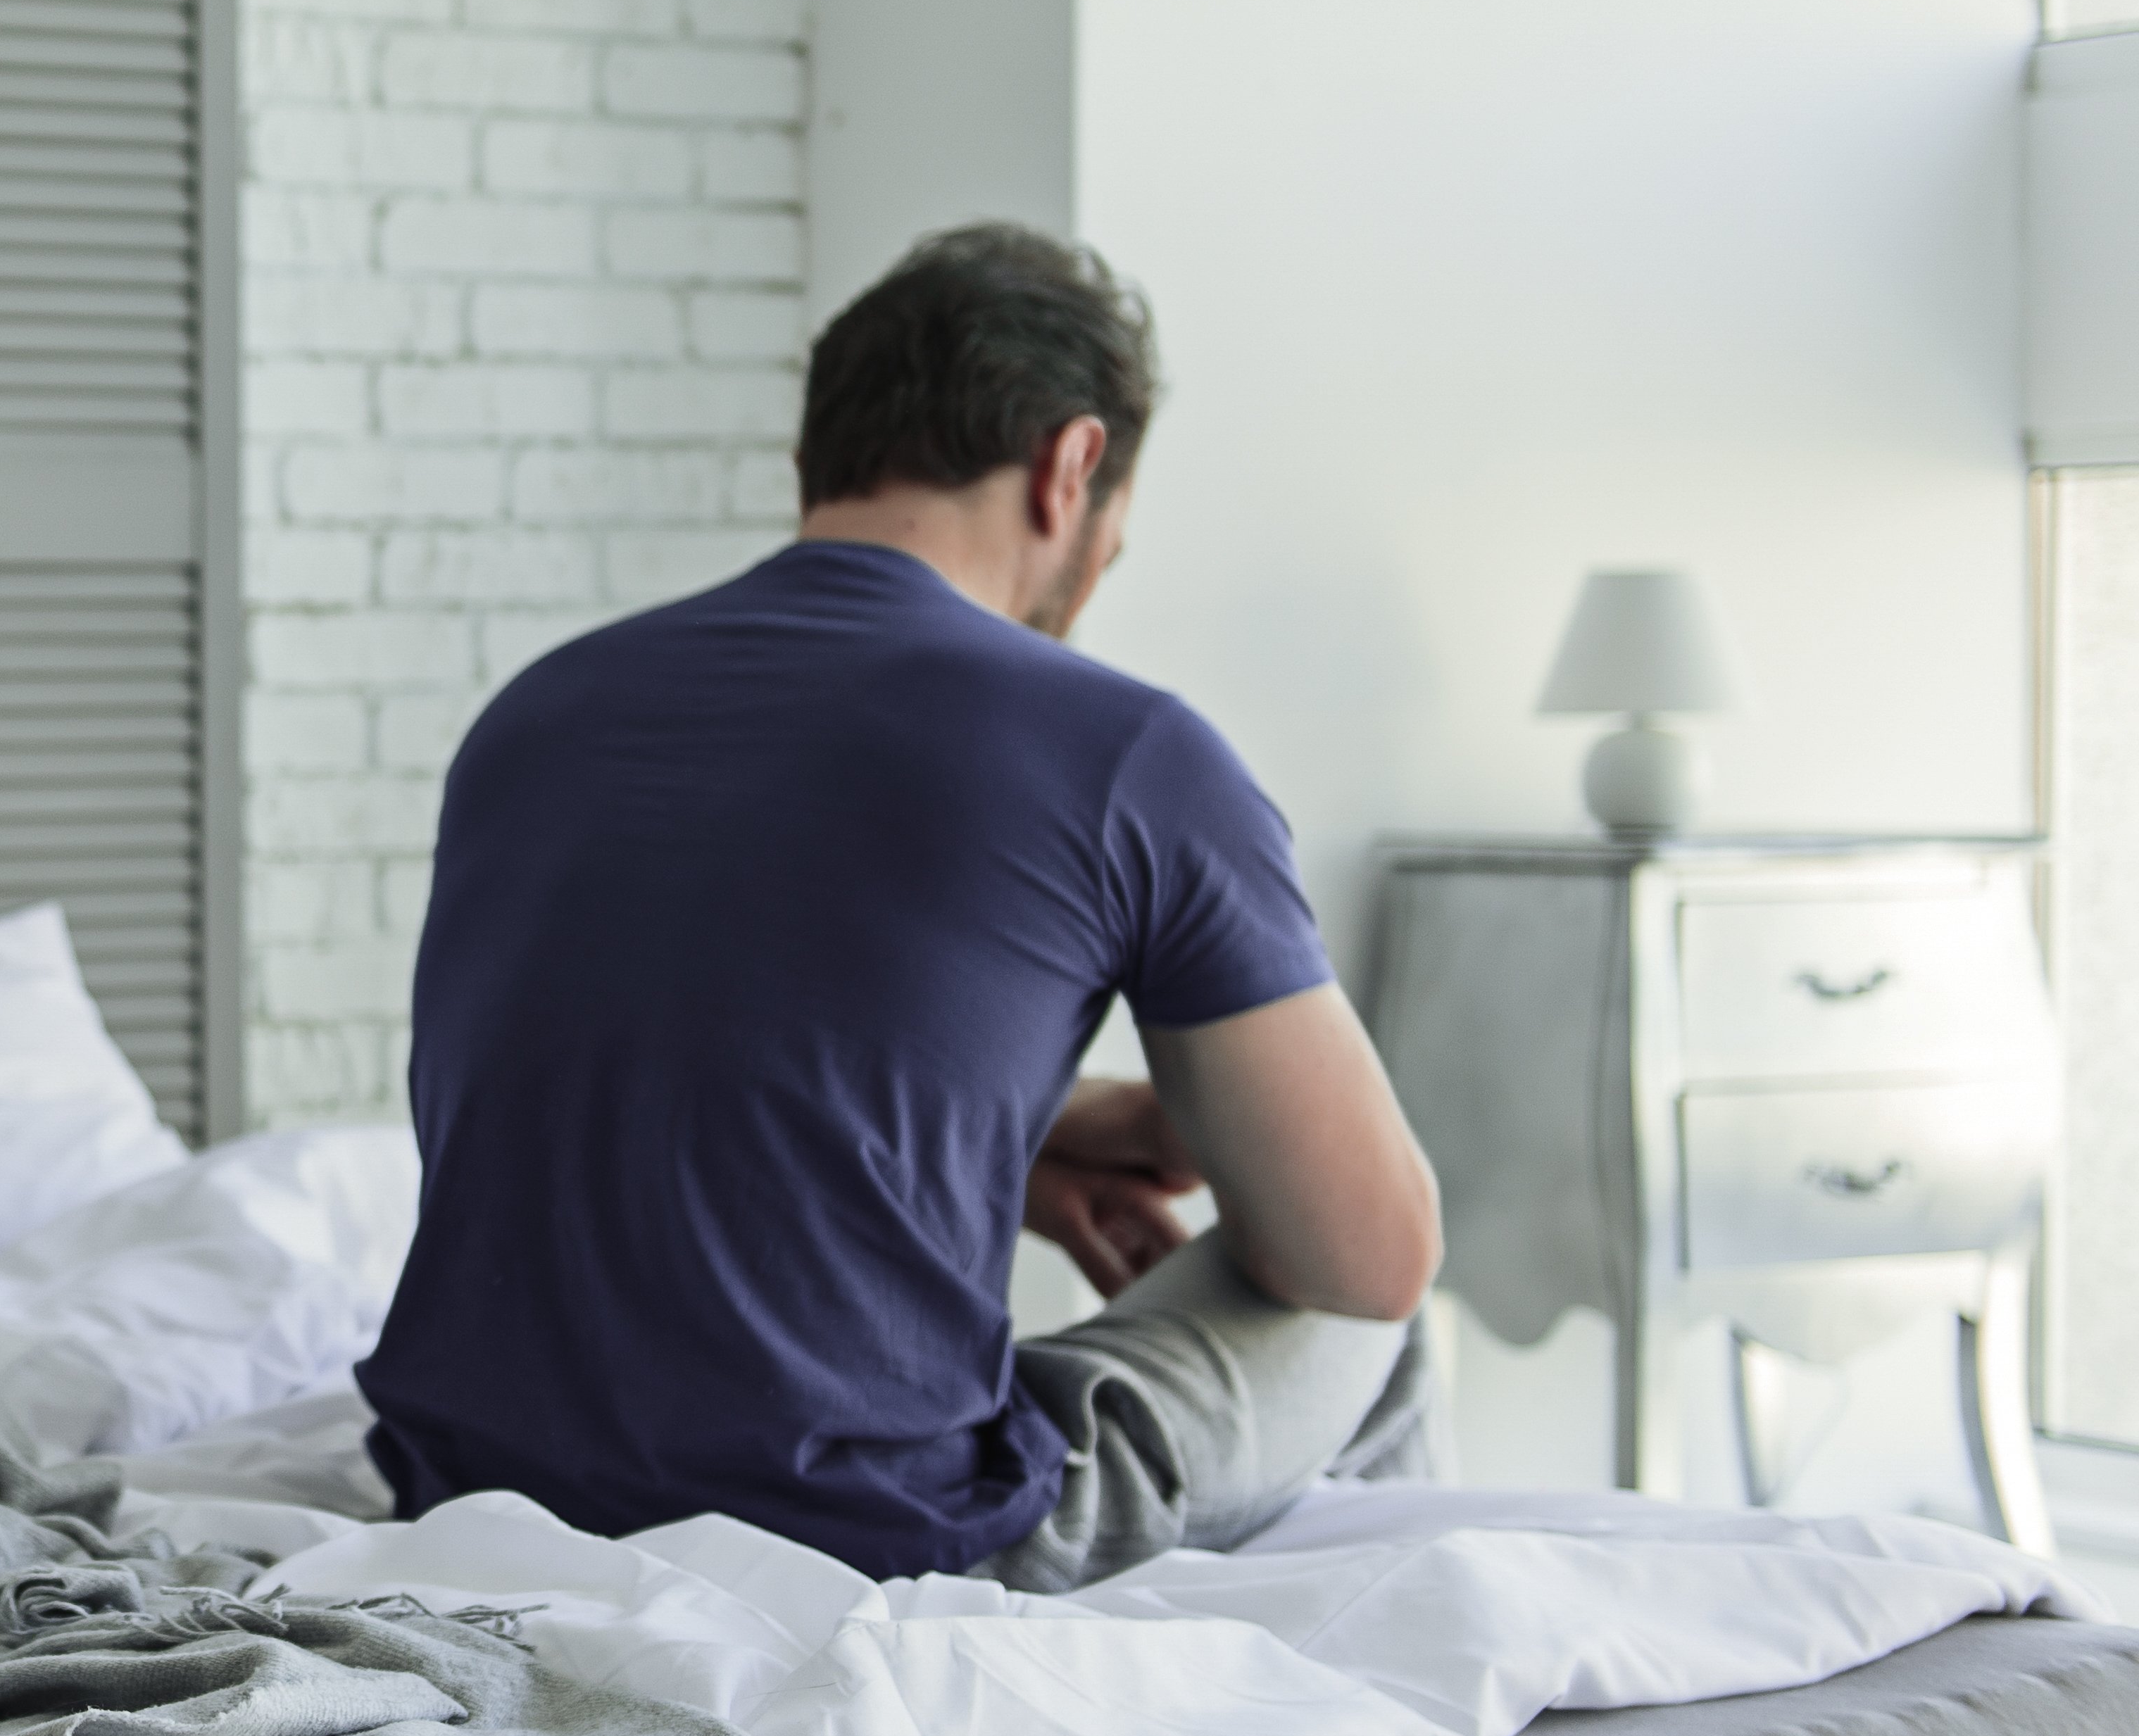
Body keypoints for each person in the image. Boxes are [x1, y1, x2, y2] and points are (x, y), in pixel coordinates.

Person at [356, 224, 1443, 1589]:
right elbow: (1368, 1254)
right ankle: (1396, 1692)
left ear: (820, 456)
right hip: (861, 1541)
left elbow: (646, 1043)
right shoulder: (1122, 751)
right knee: (1380, 1318)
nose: (1098, 574)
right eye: (1114, 538)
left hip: (473, 1495)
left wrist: (1009, 1132)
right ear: (1070, 468)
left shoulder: (535, 711)